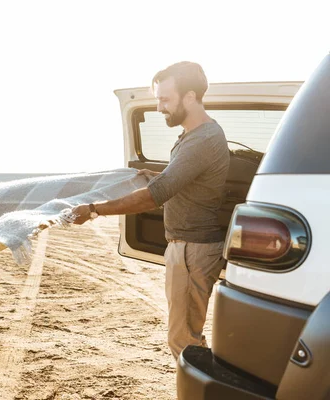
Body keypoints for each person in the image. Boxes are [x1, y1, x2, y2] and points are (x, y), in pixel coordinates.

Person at [72, 62, 230, 360]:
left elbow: (155, 196)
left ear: (190, 97)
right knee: (188, 336)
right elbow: (180, 179)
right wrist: (157, 173)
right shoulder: (193, 136)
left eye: (165, 99)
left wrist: (94, 209)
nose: (159, 108)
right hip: (188, 248)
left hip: (191, 251)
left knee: (183, 343)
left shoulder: (203, 139)